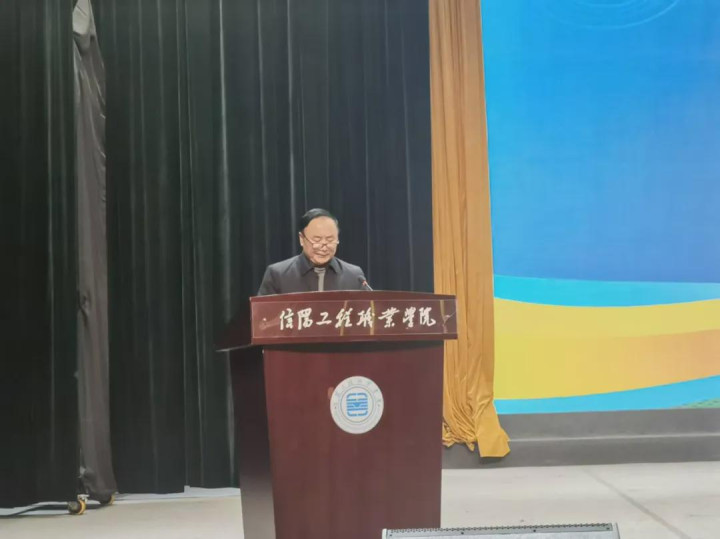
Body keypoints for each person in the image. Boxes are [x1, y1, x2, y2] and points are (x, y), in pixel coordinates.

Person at [257, 208, 369, 295]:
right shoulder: (278, 275)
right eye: (317, 240)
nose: (323, 247)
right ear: (302, 239)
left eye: (330, 240)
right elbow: (263, 316)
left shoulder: (354, 276)